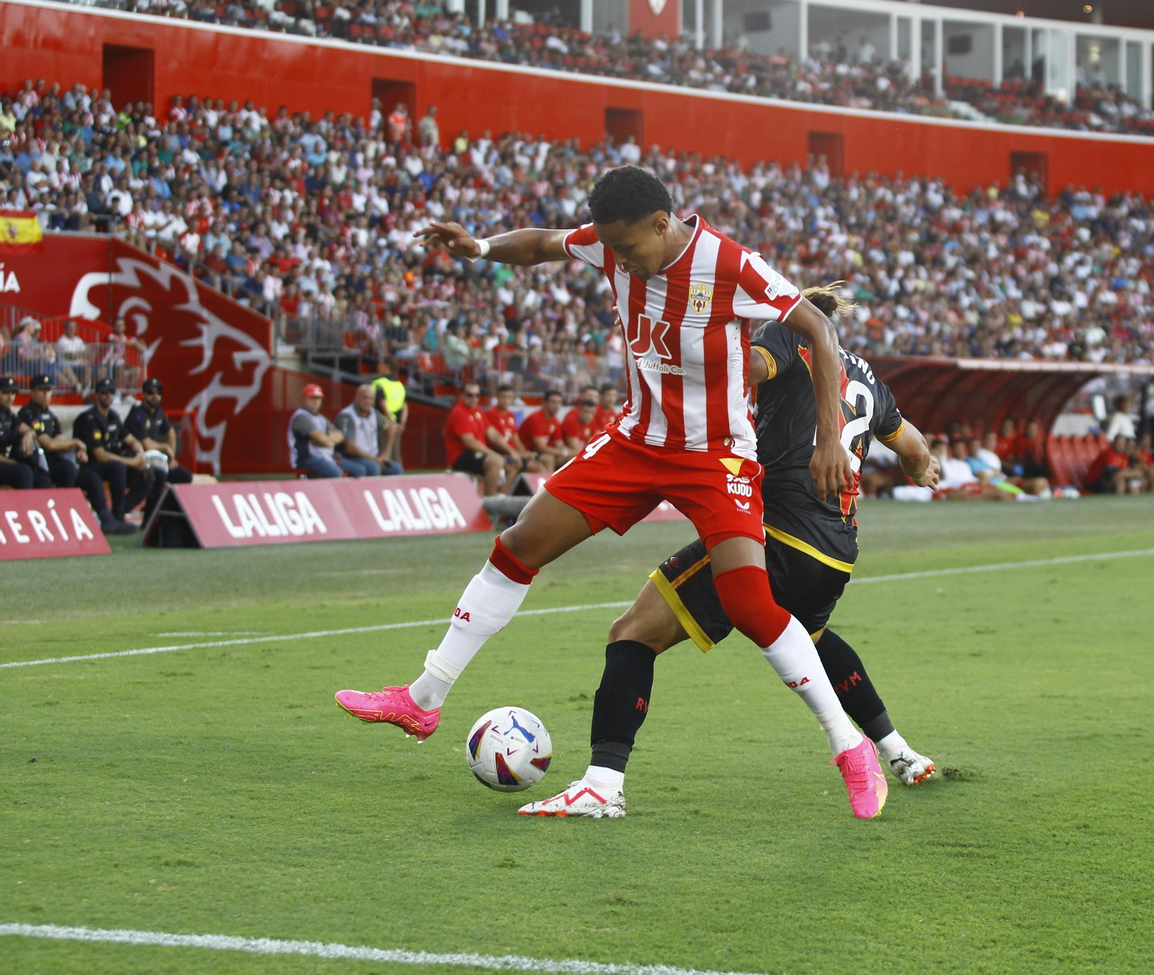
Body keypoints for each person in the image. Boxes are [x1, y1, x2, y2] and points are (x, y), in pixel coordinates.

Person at [336, 164, 887, 819]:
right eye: (611, 248)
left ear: (663, 225)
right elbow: (541, 244)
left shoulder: (730, 265)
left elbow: (819, 333)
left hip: (716, 457)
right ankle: (423, 699)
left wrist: (829, 437)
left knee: (748, 603)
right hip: (634, 442)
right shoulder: (611, 239)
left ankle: (849, 747)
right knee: (518, 546)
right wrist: (479, 248)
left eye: (627, 248)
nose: (618, 259)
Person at [523, 285, 941, 817]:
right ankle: (898, 750)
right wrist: (919, 471)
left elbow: (754, 367)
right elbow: (914, 449)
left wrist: (686, 348)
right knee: (808, 638)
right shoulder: (870, 380)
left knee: (632, 633)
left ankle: (603, 784)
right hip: (836, 550)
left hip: (777, 533)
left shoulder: (788, 332)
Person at [17, 374, 135, 532]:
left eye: (49, 390)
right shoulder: (27, 413)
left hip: (55, 461)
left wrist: (77, 450)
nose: (46, 394)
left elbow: (59, 441)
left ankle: (106, 518)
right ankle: (61, 515)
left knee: (91, 478)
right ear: (32, 391)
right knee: (67, 470)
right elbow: (49, 444)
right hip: (38, 463)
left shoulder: (51, 416)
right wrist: (77, 443)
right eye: (42, 390)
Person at [73, 378, 154, 523]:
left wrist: (140, 456)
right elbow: (100, 455)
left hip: (114, 463)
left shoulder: (113, 416)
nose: (108, 396)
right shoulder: (89, 418)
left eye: (111, 392)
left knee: (151, 473)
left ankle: (127, 512)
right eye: (104, 392)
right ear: (97, 394)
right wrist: (132, 462)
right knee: (118, 467)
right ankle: (117, 511)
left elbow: (132, 440)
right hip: (91, 465)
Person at [123, 376, 194, 513]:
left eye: (158, 393)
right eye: (151, 393)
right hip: (138, 461)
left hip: (157, 460)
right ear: (143, 395)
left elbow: (171, 432)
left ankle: (168, 509)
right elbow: (147, 444)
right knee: (157, 476)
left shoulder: (159, 412)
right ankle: (144, 512)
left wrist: (171, 457)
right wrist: (165, 448)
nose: (155, 396)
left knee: (184, 476)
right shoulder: (137, 415)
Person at [443, 383, 510, 495]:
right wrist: (494, 454)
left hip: (476, 453)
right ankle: (489, 502)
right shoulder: (459, 412)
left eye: (477, 395)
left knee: (513, 463)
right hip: (460, 456)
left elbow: (492, 433)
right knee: (495, 461)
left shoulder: (478, 410)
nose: (474, 398)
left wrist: (511, 451)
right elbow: (470, 443)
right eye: (470, 395)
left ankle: (502, 498)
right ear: (462, 395)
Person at [288, 383, 355, 478]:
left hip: (326, 456)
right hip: (307, 458)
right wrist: (329, 439)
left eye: (318, 398)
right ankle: (332, 493)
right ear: (305, 398)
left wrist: (326, 439)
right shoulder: (301, 417)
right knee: (336, 472)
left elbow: (340, 435)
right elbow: (326, 442)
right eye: (312, 398)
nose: (315, 402)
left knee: (359, 469)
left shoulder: (321, 418)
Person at [335, 384, 402, 477]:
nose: (368, 402)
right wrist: (374, 460)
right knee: (373, 467)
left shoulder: (374, 413)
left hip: (373, 457)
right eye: (365, 398)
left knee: (396, 468)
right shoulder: (347, 415)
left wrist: (386, 453)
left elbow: (392, 427)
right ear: (357, 397)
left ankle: (385, 491)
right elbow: (350, 448)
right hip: (352, 457)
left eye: (371, 398)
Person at [483, 382, 535, 484]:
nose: (506, 400)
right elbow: (494, 440)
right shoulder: (491, 414)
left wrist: (524, 452)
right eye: (503, 397)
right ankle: (502, 495)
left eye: (509, 397)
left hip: (512, 451)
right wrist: (513, 453)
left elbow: (515, 437)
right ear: (497, 397)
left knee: (538, 463)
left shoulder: (511, 415)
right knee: (518, 465)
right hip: (502, 452)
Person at [0, 375, 40, 490]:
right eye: (6, 392)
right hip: (3, 462)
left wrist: (29, 434)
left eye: (13, 393)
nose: (10, 397)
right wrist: (10, 462)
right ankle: (25, 507)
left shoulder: (9, 415)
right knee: (23, 472)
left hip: (5, 463)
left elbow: (28, 429)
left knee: (41, 477)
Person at [516, 388, 569, 473]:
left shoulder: (555, 421)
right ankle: (548, 485)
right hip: (527, 453)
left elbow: (559, 443)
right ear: (544, 403)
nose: (557, 405)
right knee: (548, 458)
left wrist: (566, 453)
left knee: (570, 459)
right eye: (553, 402)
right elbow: (541, 448)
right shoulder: (536, 418)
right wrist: (563, 452)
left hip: (539, 453)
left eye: (559, 402)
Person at [371, 357, 409, 438]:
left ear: (387, 366)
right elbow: (405, 407)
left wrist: (392, 422)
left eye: (381, 364)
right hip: (397, 427)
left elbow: (382, 404)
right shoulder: (400, 385)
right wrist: (402, 424)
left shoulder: (379, 383)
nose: (378, 366)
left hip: (382, 425)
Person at [54, 319, 88, 393]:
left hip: (79, 365)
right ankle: (78, 387)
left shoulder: (78, 340)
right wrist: (80, 354)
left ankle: (86, 388)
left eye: (74, 327)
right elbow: (72, 356)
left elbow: (86, 353)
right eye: (70, 327)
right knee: (68, 370)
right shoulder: (62, 341)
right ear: (65, 329)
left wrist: (78, 355)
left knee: (88, 369)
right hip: (66, 366)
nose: (72, 329)